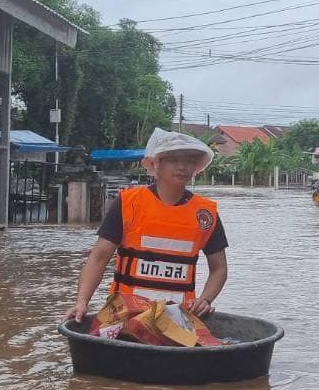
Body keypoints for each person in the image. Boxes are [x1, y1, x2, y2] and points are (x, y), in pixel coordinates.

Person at [64, 128, 228, 322]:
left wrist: (205, 299)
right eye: (174, 160)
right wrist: (82, 302)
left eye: (189, 161)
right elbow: (99, 258)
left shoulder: (205, 214)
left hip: (178, 319)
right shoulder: (128, 203)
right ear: (155, 163)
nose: (182, 166)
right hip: (124, 315)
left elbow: (219, 268)